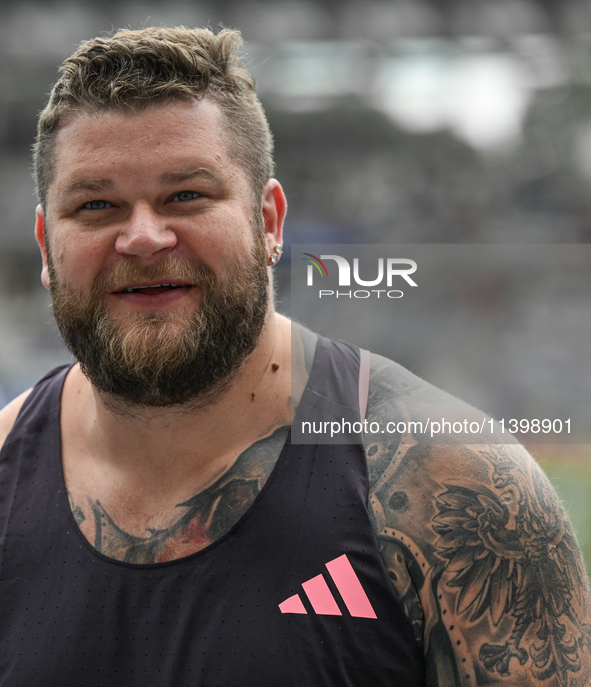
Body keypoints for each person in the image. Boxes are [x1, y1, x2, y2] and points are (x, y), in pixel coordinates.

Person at [0, 26, 589, 687]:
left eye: (186, 195)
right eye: (97, 204)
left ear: (269, 222)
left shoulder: (460, 492)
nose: (142, 236)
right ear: (47, 244)